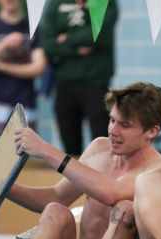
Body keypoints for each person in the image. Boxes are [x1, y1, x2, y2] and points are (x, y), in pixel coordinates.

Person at [0, 82, 161, 239]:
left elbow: (111, 193)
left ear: (151, 131)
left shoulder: (158, 170)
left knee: (126, 208)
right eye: (111, 120)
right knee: (54, 210)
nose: (112, 131)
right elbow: (57, 196)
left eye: (124, 126)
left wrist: (45, 150)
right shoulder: (99, 148)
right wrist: (2, 186)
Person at [41, 0, 118, 156]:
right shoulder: (56, 4)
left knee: (103, 145)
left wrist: (65, 40)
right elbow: (47, 44)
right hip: (64, 84)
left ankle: (100, 180)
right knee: (70, 148)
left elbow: (99, 34)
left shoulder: (104, 2)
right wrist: (77, 47)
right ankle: (73, 179)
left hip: (96, 83)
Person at [0, 0, 46, 153]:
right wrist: (5, 43)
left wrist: (2, 66)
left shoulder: (34, 29)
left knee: (23, 153)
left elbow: (38, 68)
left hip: (26, 102)